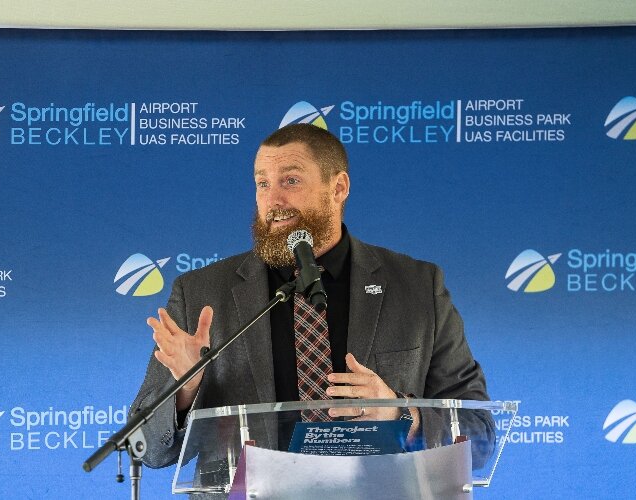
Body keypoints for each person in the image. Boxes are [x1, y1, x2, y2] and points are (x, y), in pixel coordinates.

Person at [130, 123, 490, 469]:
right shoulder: (201, 293)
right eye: (262, 183)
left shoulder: (416, 287)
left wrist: (399, 414)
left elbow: (480, 435)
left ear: (338, 188)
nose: (273, 200)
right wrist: (185, 390)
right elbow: (145, 445)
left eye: (290, 180)